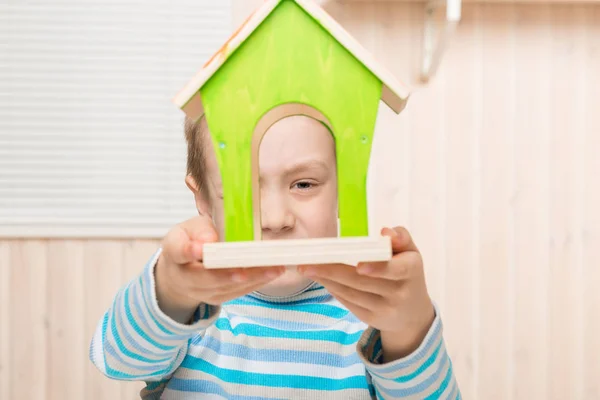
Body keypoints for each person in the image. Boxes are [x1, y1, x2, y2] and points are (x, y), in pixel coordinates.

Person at [90, 114, 461, 399]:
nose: (276, 219)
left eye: (303, 184)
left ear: (345, 190)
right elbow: (119, 359)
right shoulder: (186, 308)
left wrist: (408, 330)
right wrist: (170, 291)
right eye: (243, 190)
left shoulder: (370, 319)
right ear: (201, 198)